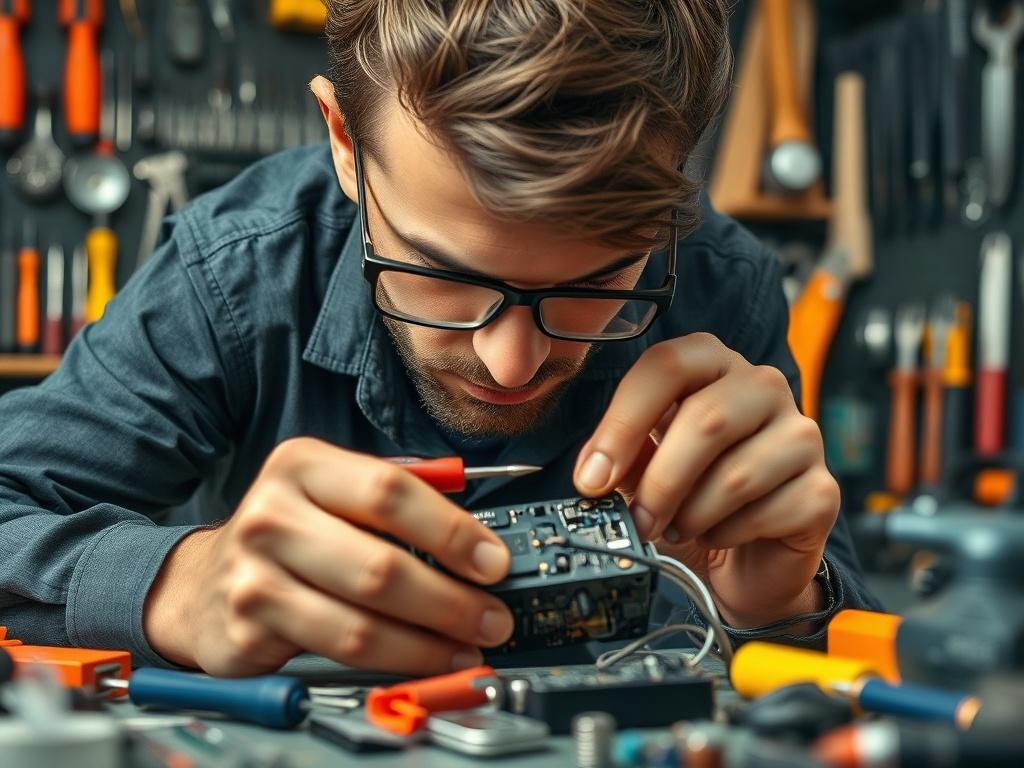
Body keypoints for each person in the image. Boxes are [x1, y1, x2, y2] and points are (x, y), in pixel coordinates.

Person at [0, 0, 878, 677]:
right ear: (346, 141)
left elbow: (834, 657)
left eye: (596, 283)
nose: (512, 363)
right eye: (446, 275)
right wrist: (178, 589)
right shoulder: (236, 273)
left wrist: (782, 606)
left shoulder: (726, 287)